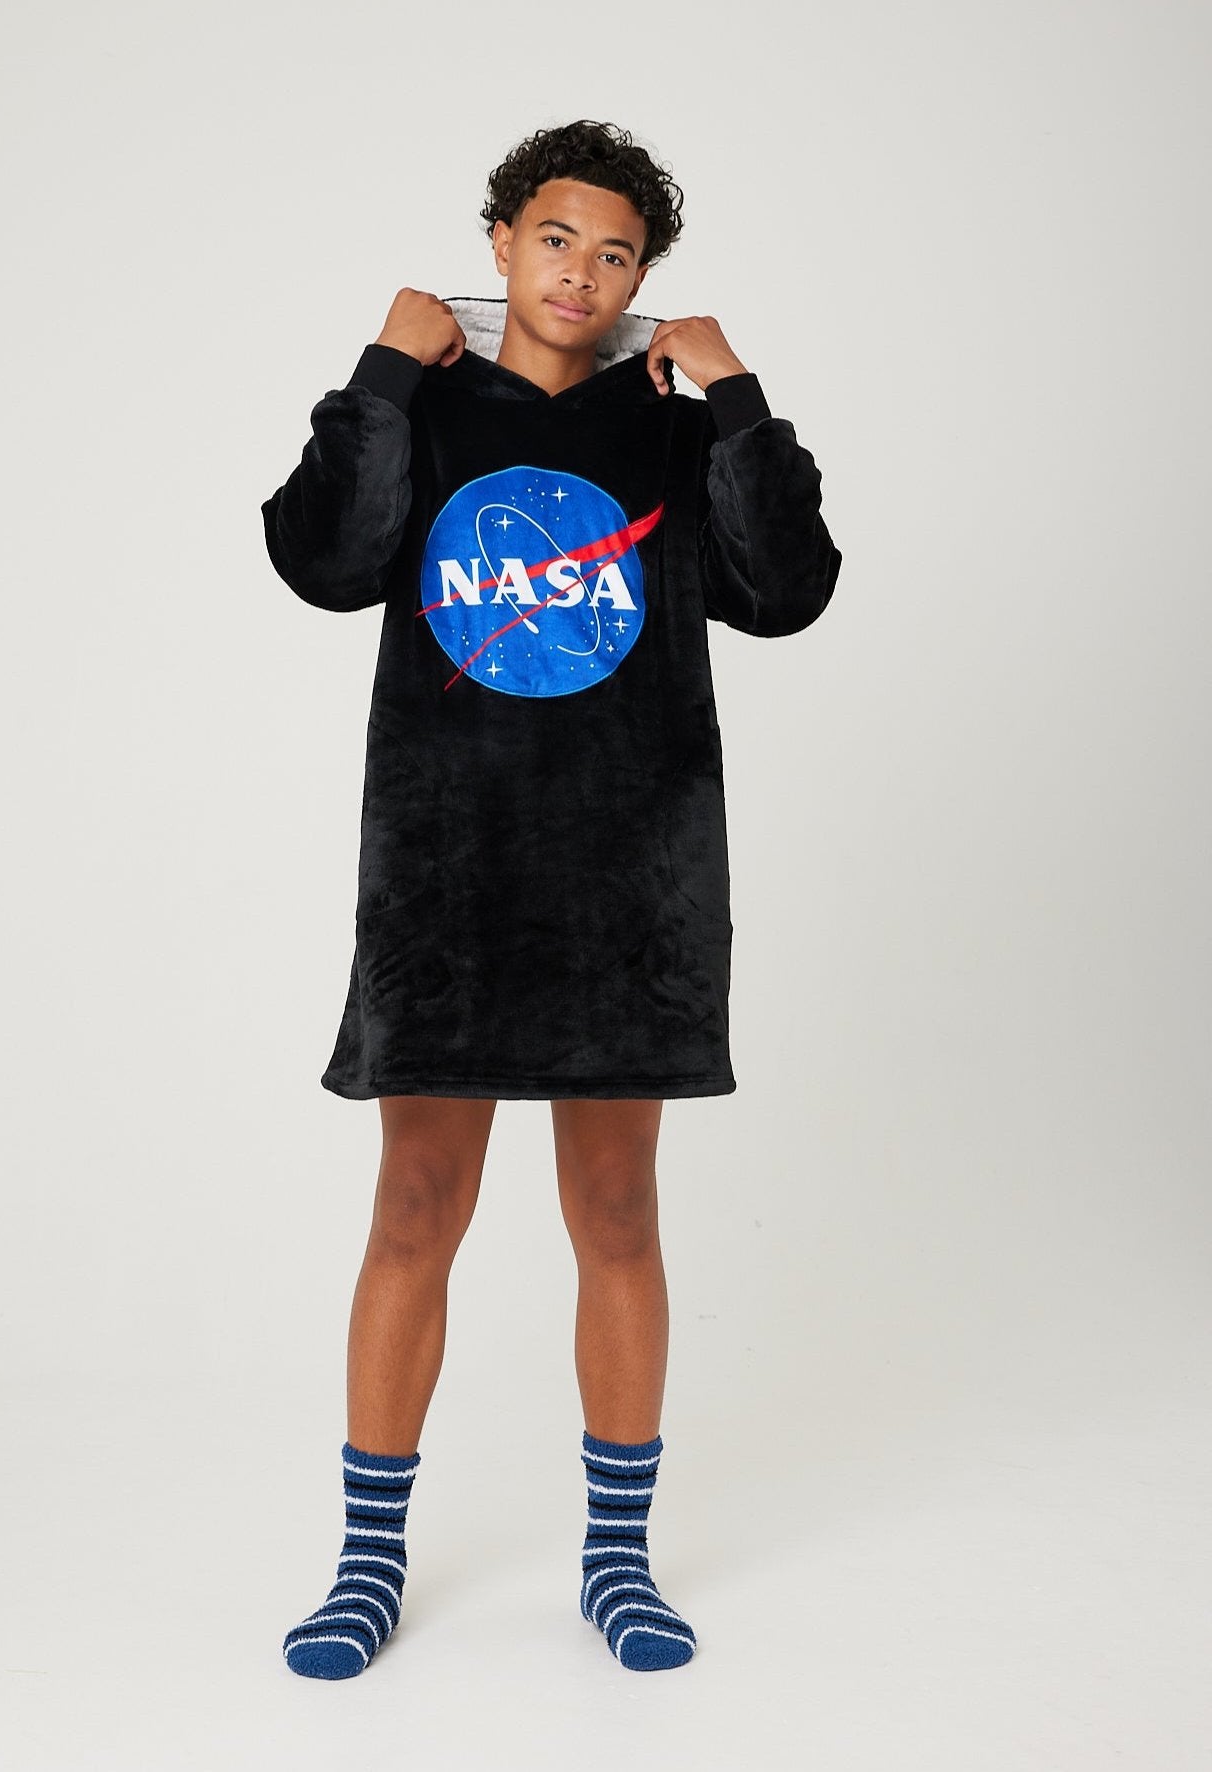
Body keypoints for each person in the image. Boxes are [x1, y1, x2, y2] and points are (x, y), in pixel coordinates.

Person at [259, 119, 841, 1678]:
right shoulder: (428, 406)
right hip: (446, 868)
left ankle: (617, 1562)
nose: (581, 273)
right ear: (502, 241)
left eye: (615, 254)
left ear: (642, 279)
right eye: (556, 239)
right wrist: (380, 374)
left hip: (627, 875)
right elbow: (325, 560)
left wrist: (736, 399)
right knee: (413, 1205)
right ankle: (365, 1562)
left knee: (617, 1211)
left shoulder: (670, 432)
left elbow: (785, 591)